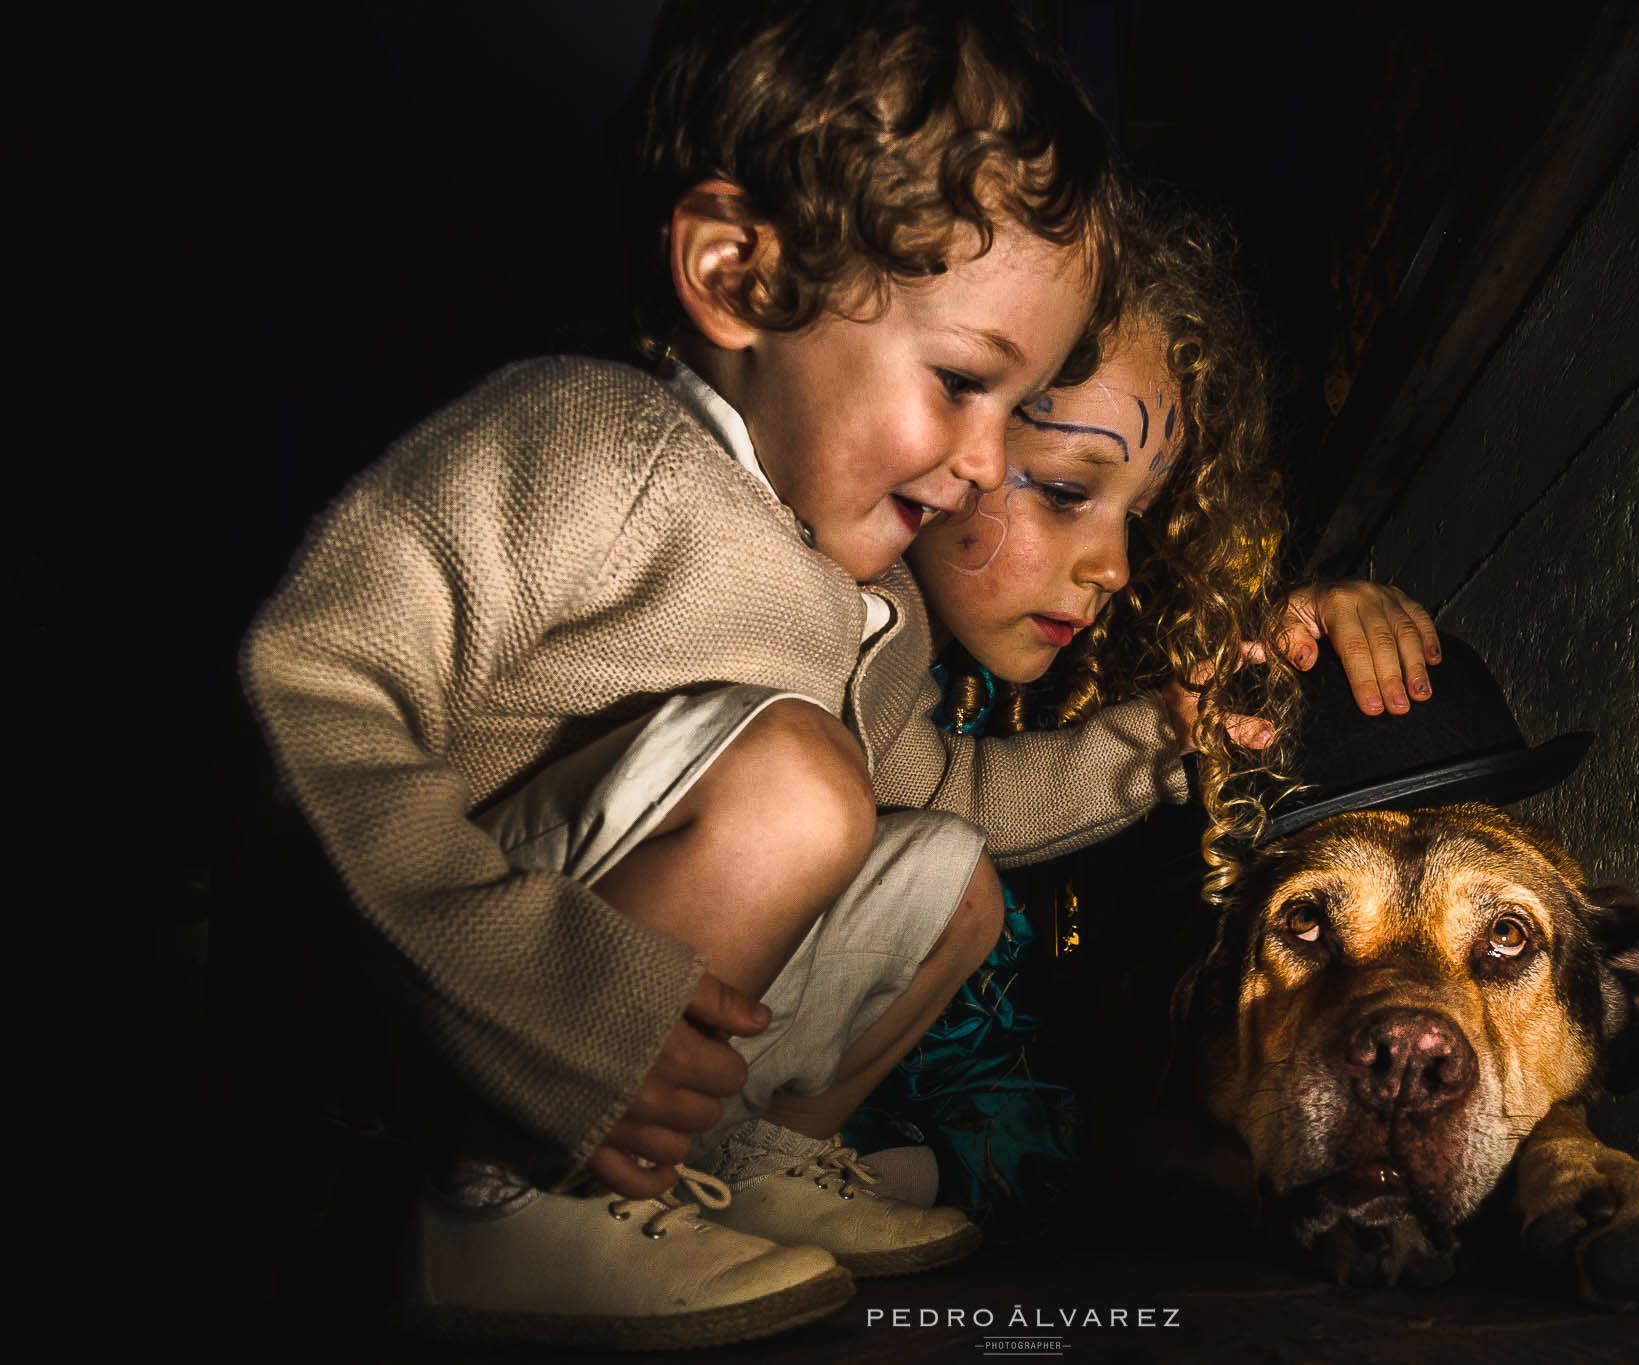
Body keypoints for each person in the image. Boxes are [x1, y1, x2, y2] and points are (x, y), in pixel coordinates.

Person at [239, 1, 1163, 1349]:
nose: (980, 462)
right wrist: (508, 976)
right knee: (799, 790)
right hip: (465, 1004)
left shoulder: (875, 603)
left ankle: (730, 1170)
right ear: (736, 276)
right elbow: (310, 681)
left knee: (948, 865)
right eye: (962, 380)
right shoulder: (588, 448)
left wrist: (1164, 746)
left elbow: (950, 778)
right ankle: (492, 1207)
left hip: (646, 1018)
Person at [845, 189, 1440, 1221]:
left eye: (1144, 512)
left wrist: (1296, 630)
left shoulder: (1019, 669)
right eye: (1070, 490)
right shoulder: (828, 614)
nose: (1115, 564)